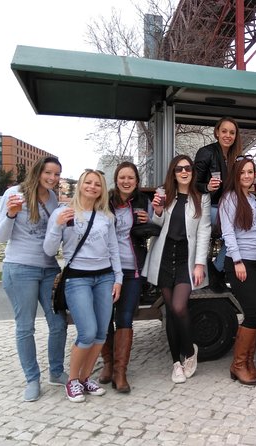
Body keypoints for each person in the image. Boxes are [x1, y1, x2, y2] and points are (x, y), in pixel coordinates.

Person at [44, 169, 122, 403]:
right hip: (77, 279)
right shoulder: (63, 213)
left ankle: (86, 378)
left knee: (101, 332)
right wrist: (57, 226)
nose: (92, 187)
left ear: (101, 189)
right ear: (80, 185)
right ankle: (72, 381)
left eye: (97, 184)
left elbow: (113, 249)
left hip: (105, 278)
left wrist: (118, 278)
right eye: (88, 182)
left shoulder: (106, 216)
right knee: (87, 332)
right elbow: (48, 251)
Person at [0, 156, 68, 402]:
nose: (53, 178)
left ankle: (56, 372)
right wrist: (11, 214)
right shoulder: (14, 194)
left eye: (57, 174)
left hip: (49, 268)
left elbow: (54, 235)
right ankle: (32, 379)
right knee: (25, 326)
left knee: (58, 323)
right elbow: (1, 236)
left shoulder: (53, 198)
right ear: (38, 171)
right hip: (19, 268)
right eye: (49, 172)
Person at [143, 155, 211, 384]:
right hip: (164, 257)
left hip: (186, 259)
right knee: (171, 312)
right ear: (173, 172)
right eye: (179, 168)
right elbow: (158, 224)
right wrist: (159, 211)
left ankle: (190, 352)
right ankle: (176, 363)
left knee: (179, 306)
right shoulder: (165, 193)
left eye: (188, 168)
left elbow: (204, 232)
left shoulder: (201, 197)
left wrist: (200, 263)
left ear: (192, 172)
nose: (184, 171)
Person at [98, 162, 153, 393]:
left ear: (136, 181)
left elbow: (155, 225)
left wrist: (145, 221)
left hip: (132, 269)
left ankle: (121, 371)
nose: (126, 181)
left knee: (125, 317)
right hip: (106, 268)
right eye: (122, 177)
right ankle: (108, 364)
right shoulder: (105, 201)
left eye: (131, 177)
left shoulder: (143, 202)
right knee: (104, 317)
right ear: (116, 179)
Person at [220, 155, 256, 386]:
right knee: (252, 313)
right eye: (243, 172)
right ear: (235, 175)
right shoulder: (229, 198)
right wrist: (237, 261)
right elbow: (228, 232)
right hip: (241, 262)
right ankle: (238, 365)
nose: (247, 176)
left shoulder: (253, 198)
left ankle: (248, 361)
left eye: (250, 171)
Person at [193, 117, 243, 292]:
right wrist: (206, 186)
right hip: (209, 207)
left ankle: (217, 268)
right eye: (224, 131)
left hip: (226, 207)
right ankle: (216, 269)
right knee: (237, 231)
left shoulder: (234, 157)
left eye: (232, 132)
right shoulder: (206, 152)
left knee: (244, 231)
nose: (228, 135)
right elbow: (192, 183)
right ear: (216, 133)